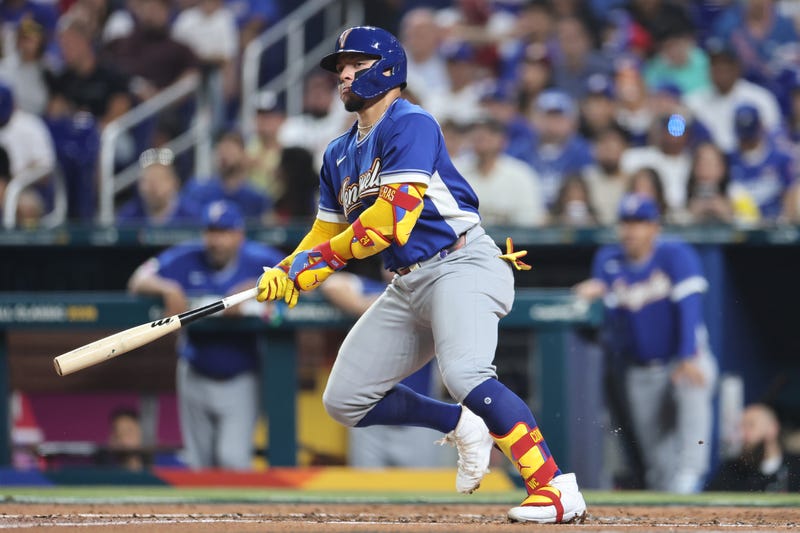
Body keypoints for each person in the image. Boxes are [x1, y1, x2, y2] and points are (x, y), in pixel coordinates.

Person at [255, 26, 586, 524]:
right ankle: (459, 423)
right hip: (407, 281)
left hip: (462, 262)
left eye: (356, 65)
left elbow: (392, 220)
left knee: (465, 373)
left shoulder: (411, 122)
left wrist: (316, 265)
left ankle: (554, 486)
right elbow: (324, 230)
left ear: (388, 68)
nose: (344, 74)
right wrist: (286, 269)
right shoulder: (337, 153)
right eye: (340, 67)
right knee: (345, 399)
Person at [574, 193, 718, 494]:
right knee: (657, 462)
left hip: (685, 356)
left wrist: (687, 355)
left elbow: (690, 307)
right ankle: (668, 502)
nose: (631, 230)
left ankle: (691, 479)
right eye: (626, 223)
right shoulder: (608, 259)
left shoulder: (675, 253)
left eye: (639, 222)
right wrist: (591, 295)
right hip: (642, 368)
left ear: (655, 227)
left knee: (692, 388)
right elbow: (609, 314)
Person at [128, 200, 284, 469]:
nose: (216, 240)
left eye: (224, 232)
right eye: (211, 232)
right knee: (199, 464)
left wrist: (258, 290)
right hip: (194, 370)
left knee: (233, 461)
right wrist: (166, 288)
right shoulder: (186, 257)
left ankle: (238, 514)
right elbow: (138, 279)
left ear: (239, 235)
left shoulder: (261, 260)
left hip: (241, 374)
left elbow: (302, 280)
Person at [319, 269, 446, 468]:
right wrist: (366, 307)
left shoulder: (430, 295)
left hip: (419, 419)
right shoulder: (378, 291)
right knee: (367, 489)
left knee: (424, 488)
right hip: (370, 416)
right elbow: (333, 283)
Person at [705, 403, 800, 492]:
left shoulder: (796, 467)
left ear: (772, 429)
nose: (743, 434)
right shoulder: (731, 470)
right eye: (740, 427)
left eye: (750, 425)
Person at [117, 147, 199, 227]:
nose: (153, 188)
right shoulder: (129, 216)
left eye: (159, 179)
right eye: (147, 180)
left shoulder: (191, 216)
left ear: (174, 182)